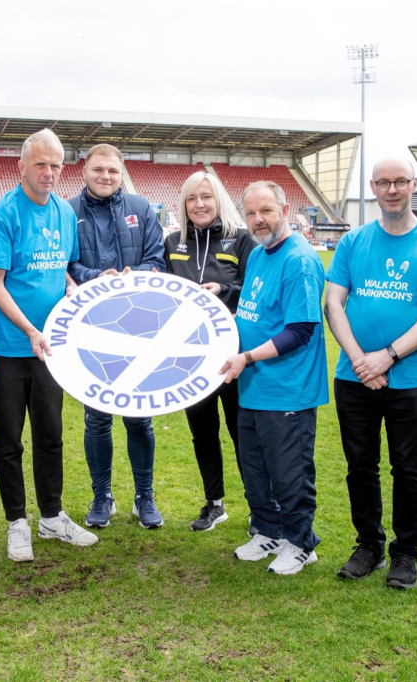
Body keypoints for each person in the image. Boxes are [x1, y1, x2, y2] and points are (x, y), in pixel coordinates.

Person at [323, 157, 417, 590]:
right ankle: (369, 546)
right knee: (360, 466)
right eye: (384, 182)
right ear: (373, 188)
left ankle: (406, 553)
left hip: (409, 379)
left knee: (408, 468)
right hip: (353, 377)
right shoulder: (353, 242)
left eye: (400, 181)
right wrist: (360, 360)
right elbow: (333, 303)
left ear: (414, 185)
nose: (392, 189)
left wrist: (388, 356)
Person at [0, 129, 98, 562]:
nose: (49, 172)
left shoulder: (64, 212)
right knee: (9, 441)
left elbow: (61, 267)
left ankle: (51, 516)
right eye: (41, 164)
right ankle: (17, 523)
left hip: (51, 350)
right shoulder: (1, 214)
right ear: (22, 166)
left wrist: (70, 288)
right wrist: (30, 329)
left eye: (56, 165)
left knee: (51, 436)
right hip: (10, 349)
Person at [221, 181, 328, 575]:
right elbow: (253, 314)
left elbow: (300, 330)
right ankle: (268, 531)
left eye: (266, 210)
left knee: (289, 472)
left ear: (285, 210)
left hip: (287, 389)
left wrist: (248, 356)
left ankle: (300, 543)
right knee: (255, 468)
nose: (258, 219)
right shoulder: (258, 254)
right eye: (250, 213)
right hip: (253, 385)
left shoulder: (299, 259)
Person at [67, 144, 166, 529]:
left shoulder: (142, 209)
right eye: (98, 170)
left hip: (138, 327)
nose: (105, 176)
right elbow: (66, 265)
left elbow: (157, 260)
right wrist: (97, 279)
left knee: (139, 419)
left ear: (121, 173)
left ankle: (145, 496)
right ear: (85, 171)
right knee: (97, 418)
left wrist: (131, 278)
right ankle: (101, 495)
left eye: (112, 170)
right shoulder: (68, 213)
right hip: (91, 330)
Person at [164, 171, 255, 531]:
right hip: (190, 358)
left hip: (233, 355)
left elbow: (254, 290)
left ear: (219, 200)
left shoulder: (241, 240)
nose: (199, 204)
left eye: (206, 197)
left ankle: (257, 506)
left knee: (241, 431)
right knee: (203, 432)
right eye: (191, 198)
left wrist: (223, 290)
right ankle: (214, 503)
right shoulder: (173, 242)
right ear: (184, 204)